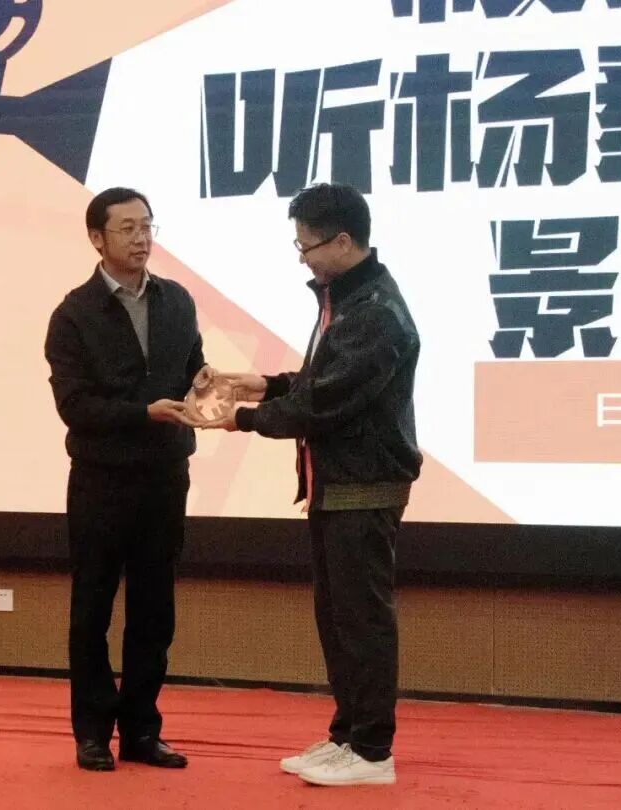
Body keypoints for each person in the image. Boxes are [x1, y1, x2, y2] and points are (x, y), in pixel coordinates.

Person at [205, 183, 422, 787]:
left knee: (362, 622)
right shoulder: (346, 300)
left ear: (343, 241)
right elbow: (320, 381)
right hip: (336, 484)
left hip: (364, 486)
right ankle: (347, 735)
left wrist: (242, 417)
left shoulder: (374, 312)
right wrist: (266, 385)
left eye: (307, 246)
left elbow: (325, 403)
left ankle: (372, 751)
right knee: (338, 619)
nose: (302, 257)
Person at [45, 187, 210, 772]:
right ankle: (92, 732)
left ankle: (141, 730)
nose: (142, 239)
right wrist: (143, 412)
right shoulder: (73, 314)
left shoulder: (177, 300)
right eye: (128, 229)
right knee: (92, 609)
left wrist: (206, 384)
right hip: (102, 481)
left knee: (154, 611)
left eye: (147, 227)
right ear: (98, 238)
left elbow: (192, 368)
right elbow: (75, 406)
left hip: (165, 477)